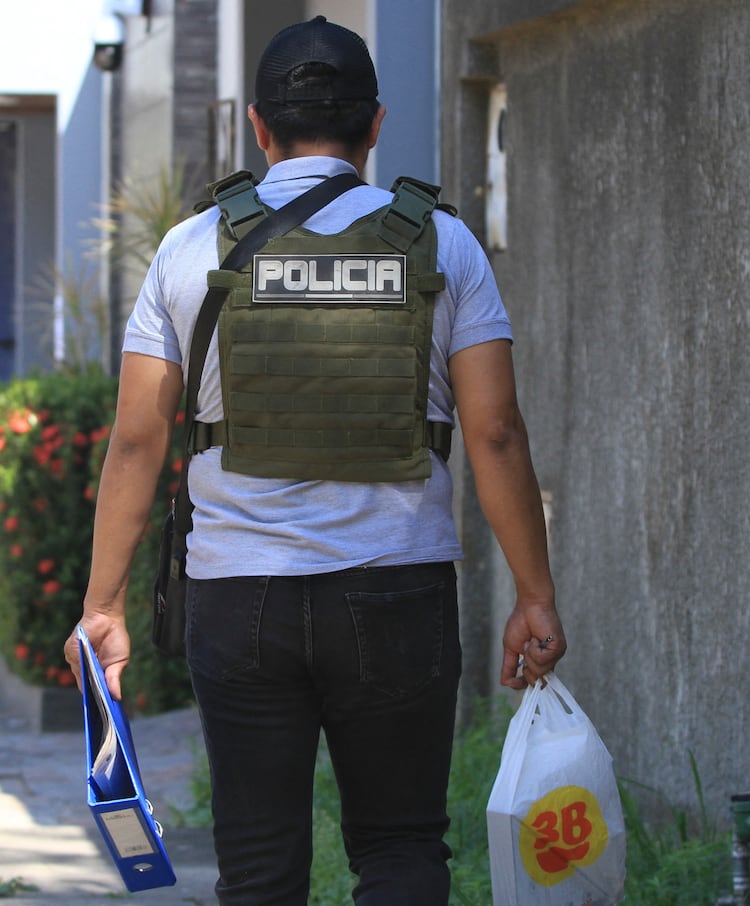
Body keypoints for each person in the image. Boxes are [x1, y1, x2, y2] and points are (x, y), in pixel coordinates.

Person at [65, 16, 565, 904]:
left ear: (257, 126)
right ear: (375, 124)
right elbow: (495, 433)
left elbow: (139, 437)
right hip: (398, 590)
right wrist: (534, 595)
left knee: (259, 870)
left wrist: (104, 603)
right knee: (403, 847)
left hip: (238, 595)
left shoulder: (190, 249)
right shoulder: (443, 245)